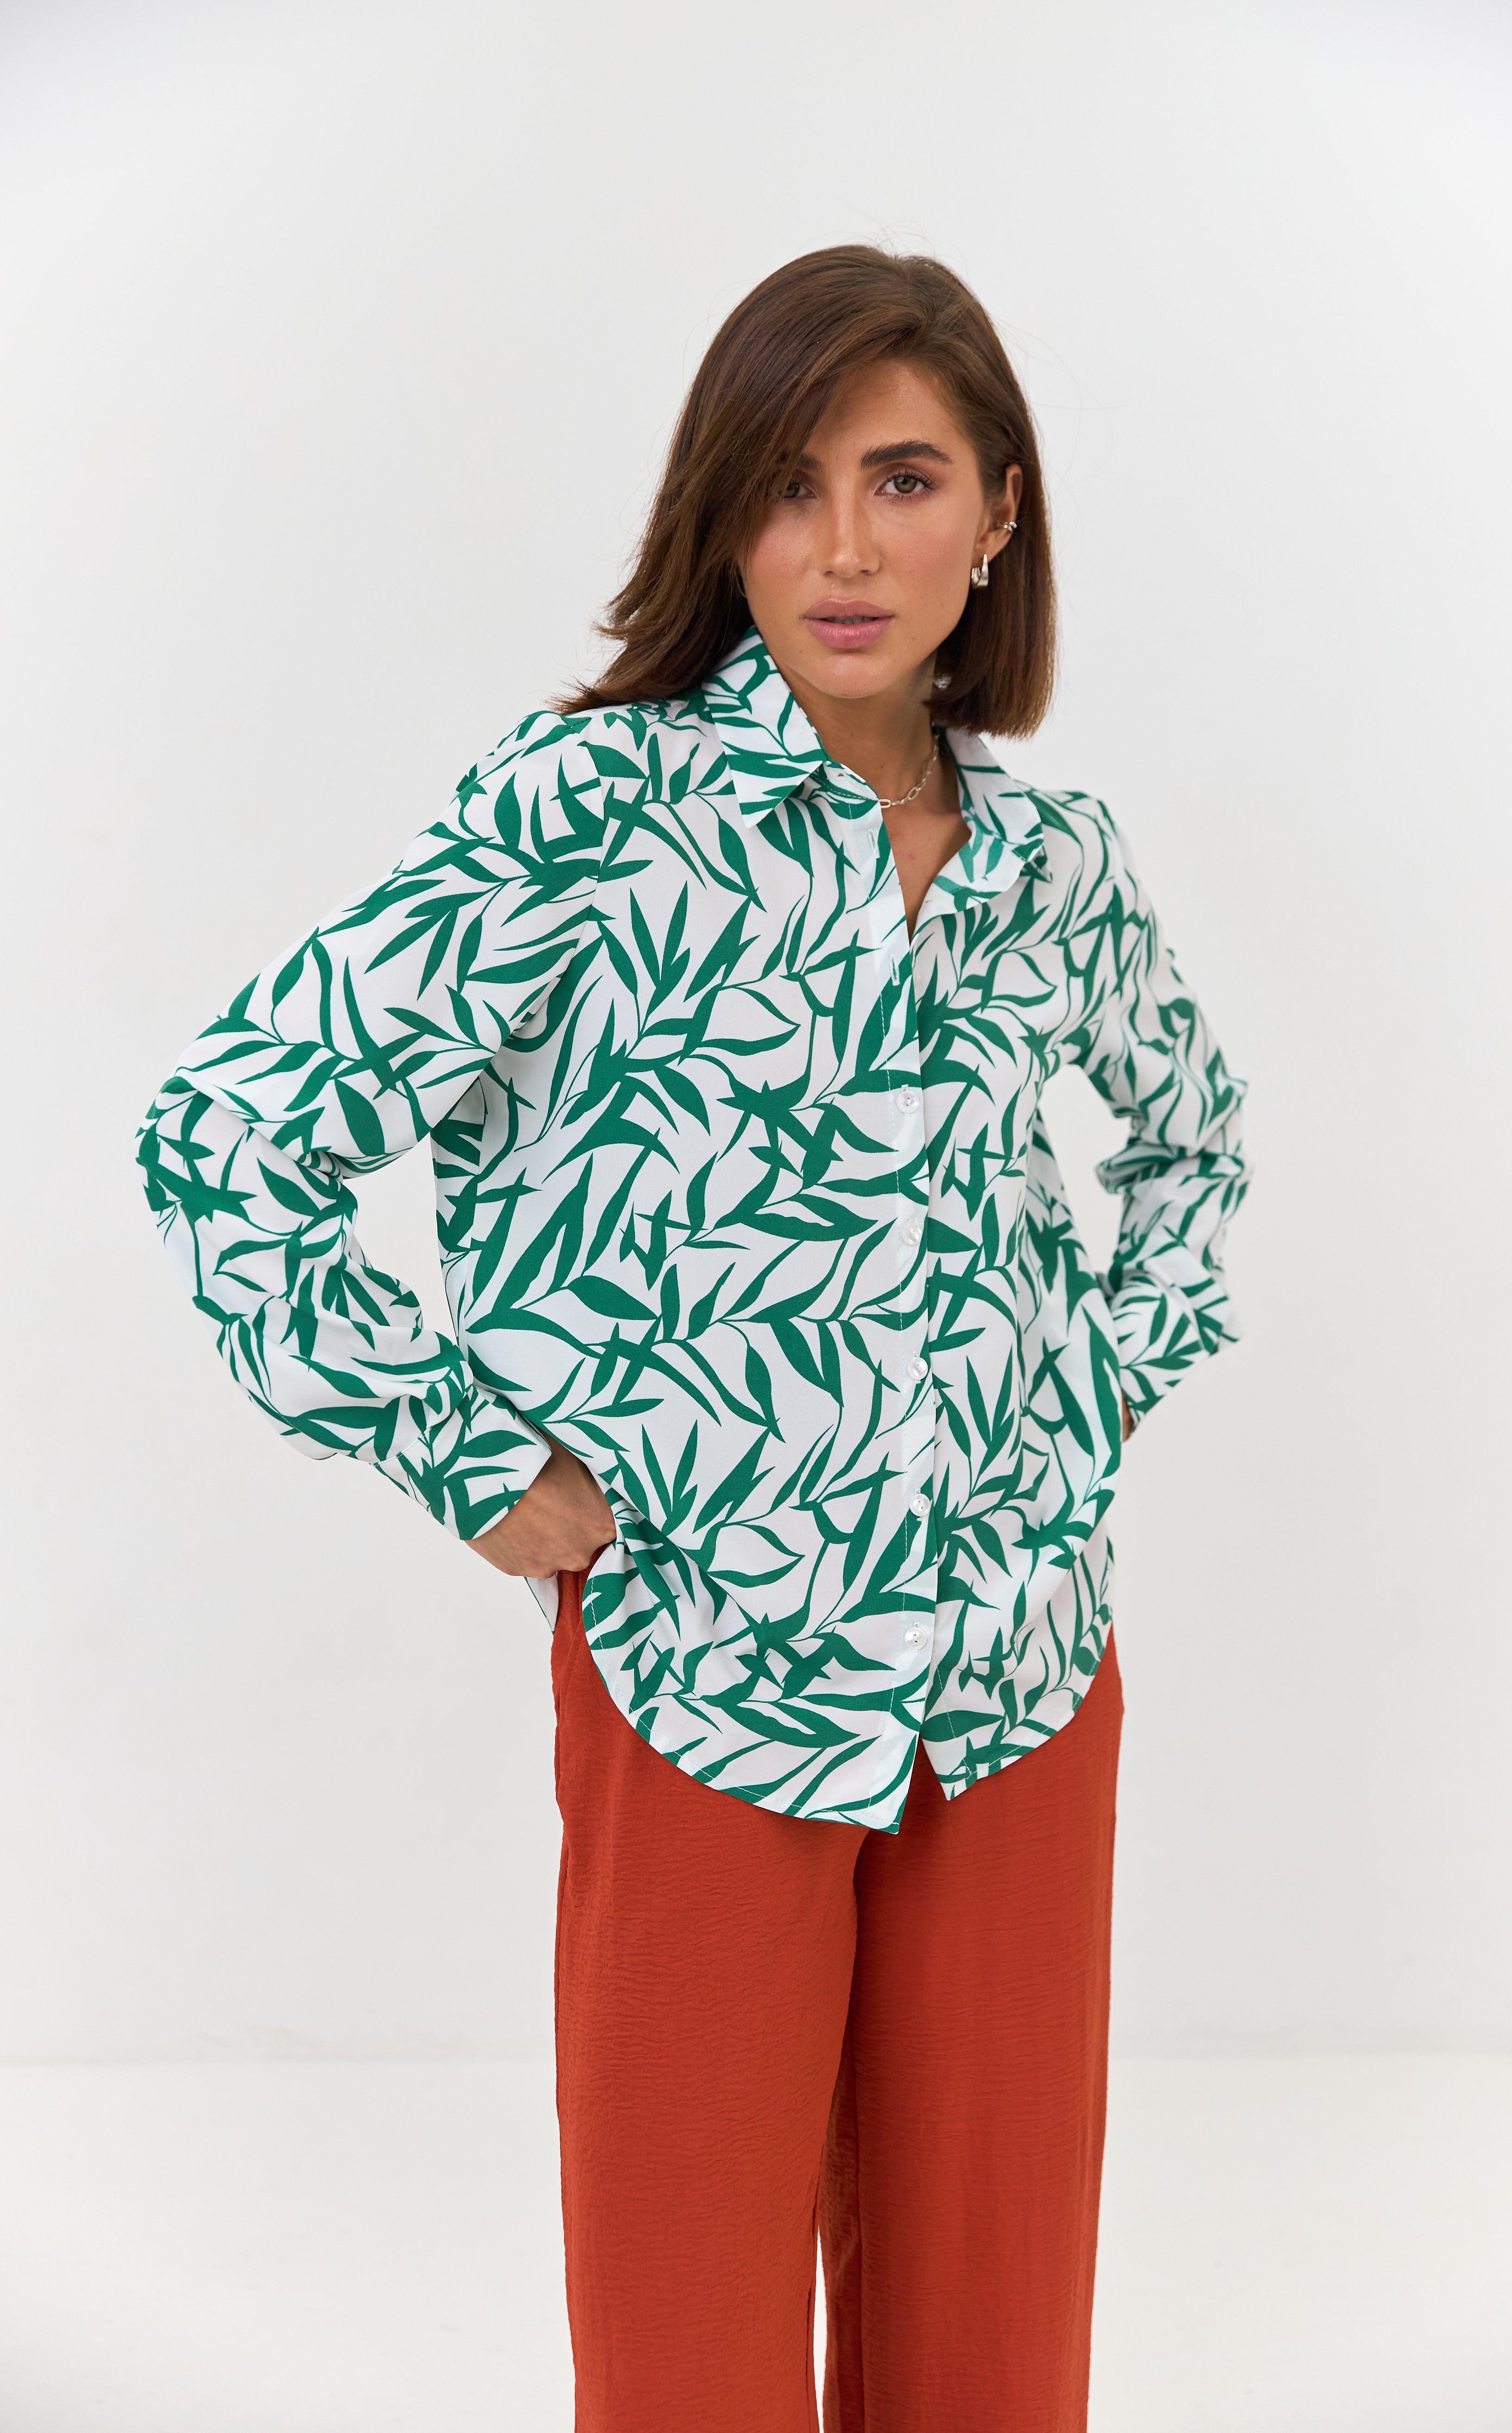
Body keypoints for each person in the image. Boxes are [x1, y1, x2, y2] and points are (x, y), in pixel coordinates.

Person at [137, 245, 1249, 2432]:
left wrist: (1081, 1401)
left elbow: (1185, 1146)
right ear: (717, 515)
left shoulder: (1053, 863)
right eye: (785, 484)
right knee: (686, 2334)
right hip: (701, 1657)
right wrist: (462, 1450)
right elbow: (230, 1129)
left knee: (996, 2332)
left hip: (1019, 1669)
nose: (842, 547)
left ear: (995, 515)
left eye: (901, 480)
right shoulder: (585, 815)